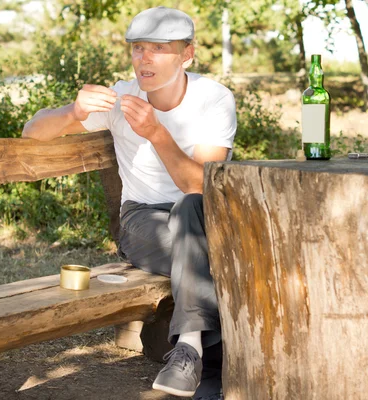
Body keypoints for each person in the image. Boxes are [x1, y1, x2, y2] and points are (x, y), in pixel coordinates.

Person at [22, 6, 236, 400]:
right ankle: (203, 363)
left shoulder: (214, 99)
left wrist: (156, 133)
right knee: (215, 256)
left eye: (158, 48)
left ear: (187, 54)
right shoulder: (122, 96)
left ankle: (190, 352)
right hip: (143, 222)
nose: (144, 59)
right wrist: (73, 111)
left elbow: (200, 186)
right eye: (138, 48)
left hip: (202, 218)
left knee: (191, 208)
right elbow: (32, 132)